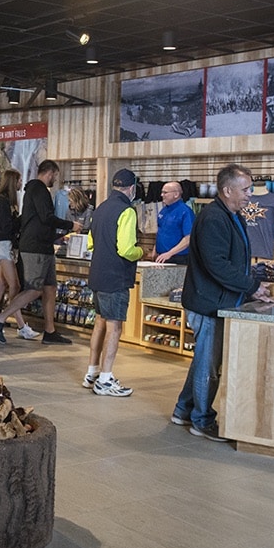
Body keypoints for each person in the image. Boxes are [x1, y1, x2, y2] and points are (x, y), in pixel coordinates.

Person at [171, 163, 270, 442]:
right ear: (227, 190)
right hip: (208, 303)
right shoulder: (215, 218)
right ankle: (202, 421)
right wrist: (251, 285)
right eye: (246, 189)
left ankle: (184, 410)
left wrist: (250, 290)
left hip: (216, 300)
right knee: (208, 365)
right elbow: (217, 265)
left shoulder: (229, 214)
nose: (250, 194)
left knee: (203, 360)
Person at [0, 160, 80, 345]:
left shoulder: (36, 192)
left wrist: (56, 236)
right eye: (55, 175)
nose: (56, 179)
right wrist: (70, 226)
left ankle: (50, 331)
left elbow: (37, 220)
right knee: (34, 289)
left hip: (43, 247)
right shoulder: (38, 189)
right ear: (51, 173)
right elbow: (46, 217)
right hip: (35, 248)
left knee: (50, 288)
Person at [84, 169, 156, 397]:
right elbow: (125, 249)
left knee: (100, 323)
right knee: (114, 327)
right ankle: (105, 379)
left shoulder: (101, 208)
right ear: (132, 187)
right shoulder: (127, 210)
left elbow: (90, 244)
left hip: (97, 274)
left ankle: (92, 372)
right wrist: (141, 252)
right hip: (115, 277)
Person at [0, 170, 39, 340]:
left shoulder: (5, 201)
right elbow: (7, 226)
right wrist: (22, 219)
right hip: (3, 246)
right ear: (13, 181)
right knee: (14, 285)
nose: (21, 183)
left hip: (4, 245)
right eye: (19, 180)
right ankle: (19, 325)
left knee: (1, 285)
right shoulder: (2, 202)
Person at [155, 181, 194, 264]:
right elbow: (160, 231)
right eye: (162, 192)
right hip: (162, 256)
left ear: (176, 194)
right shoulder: (164, 210)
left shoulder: (185, 211)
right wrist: (155, 248)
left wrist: (170, 253)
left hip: (178, 258)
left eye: (165, 192)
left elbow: (189, 238)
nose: (162, 195)